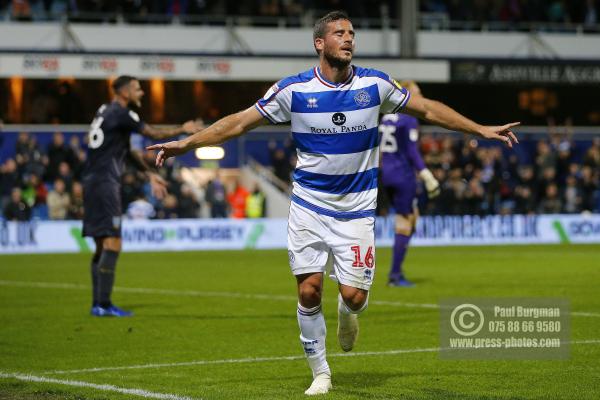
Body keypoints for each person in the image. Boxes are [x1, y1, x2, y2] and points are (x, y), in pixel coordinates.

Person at [148, 11, 518, 395]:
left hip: (356, 210)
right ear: (319, 43)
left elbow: (426, 110)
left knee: (354, 297)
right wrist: (186, 144)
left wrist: (479, 128)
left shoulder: (375, 85)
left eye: (352, 33)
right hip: (308, 205)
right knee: (308, 290)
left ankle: (347, 313)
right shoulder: (293, 91)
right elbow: (239, 123)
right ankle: (321, 372)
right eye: (339, 33)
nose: (349, 38)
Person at [83, 74, 201, 318]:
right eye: (138, 89)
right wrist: (183, 129)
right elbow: (153, 134)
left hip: (91, 181)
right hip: (106, 183)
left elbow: (126, 150)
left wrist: (149, 174)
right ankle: (104, 304)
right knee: (113, 242)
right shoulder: (124, 113)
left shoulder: (104, 110)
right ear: (124, 92)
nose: (142, 93)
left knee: (100, 244)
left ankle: (98, 304)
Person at [379, 81, 440, 287]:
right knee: (405, 223)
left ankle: (397, 271)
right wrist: (426, 175)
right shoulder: (409, 118)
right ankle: (395, 275)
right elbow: (412, 151)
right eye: (417, 92)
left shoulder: (387, 116)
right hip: (402, 174)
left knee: (412, 218)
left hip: (385, 173)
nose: (420, 95)